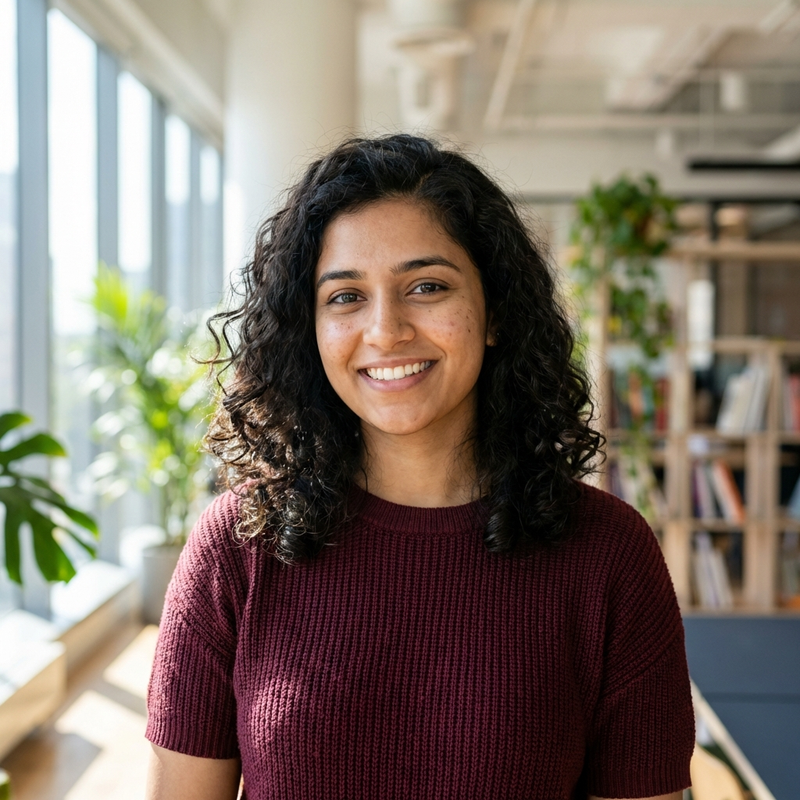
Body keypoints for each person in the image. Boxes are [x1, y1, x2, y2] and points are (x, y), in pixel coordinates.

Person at [145, 134, 694, 800]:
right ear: (309, 330)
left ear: (494, 312)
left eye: (427, 286)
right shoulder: (237, 548)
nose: (386, 330)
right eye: (345, 297)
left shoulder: (610, 555)